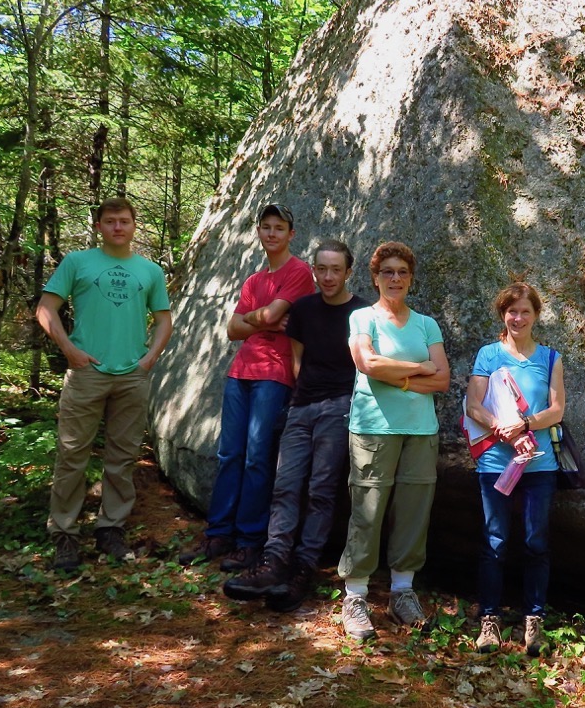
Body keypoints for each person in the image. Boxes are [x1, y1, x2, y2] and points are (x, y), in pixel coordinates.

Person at [223, 240, 369, 608]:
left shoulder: (362, 313)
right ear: (314, 270)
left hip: (339, 408)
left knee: (321, 489)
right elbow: (297, 361)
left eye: (336, 269)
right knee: (285, 485)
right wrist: (301, 400)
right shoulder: (303, 309)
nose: (328, 276)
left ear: (349, 272)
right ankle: (274, 561)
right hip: (302, 406)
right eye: (322, 269)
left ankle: (303, 567)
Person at [36, 196, 173, 573]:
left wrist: (149, 359)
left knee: (122, 456)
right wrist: (69, 350)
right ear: (99, 226)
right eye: (110, 221)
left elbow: (164, 319)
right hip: (86, 371)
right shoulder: (78, 262)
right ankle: (64, 531)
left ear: (133, 226)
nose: (118, 227)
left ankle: (110, 528)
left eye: (124, 221)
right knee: (72, 454)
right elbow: (45, 308)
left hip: (132, 373)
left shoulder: (150, 271)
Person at [179, 205, 315, 572]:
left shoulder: (299, 272)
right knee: (229, 454)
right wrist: (262, 320)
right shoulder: (254, 281)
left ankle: (249, 540)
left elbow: (264, 318)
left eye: (279, 228)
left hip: (275, 372)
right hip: (240, 371)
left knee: (258, 455)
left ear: (291, 234)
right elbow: (232, 330)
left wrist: (254, 320)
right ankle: (218, 533)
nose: (271, 234)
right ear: (258, 231)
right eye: (266, 227)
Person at [337, 242, 449, 640]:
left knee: (414, 510)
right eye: (387, 271)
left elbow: (443, 379)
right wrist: (418, 368)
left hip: (420, 430)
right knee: (367, 509)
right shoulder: (362, 318)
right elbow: (366, 363)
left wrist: (396, 375)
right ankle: (355, 595)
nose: (395, 278)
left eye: (402, 271)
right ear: (375, 276)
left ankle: (402, 591)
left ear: (411, 277)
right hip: (372, 428)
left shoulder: (426, 324)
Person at [465, 283, 565, 656]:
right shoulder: (489, 355)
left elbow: (557, 410)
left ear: (536, 315)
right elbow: (474, 404)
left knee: (535, 541)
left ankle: (533, 620)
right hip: (495, 461)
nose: (518, 318)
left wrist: (524, 425)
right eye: (511, 311)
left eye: (525, 311)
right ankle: (489, 619)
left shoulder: (551, 358)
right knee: (495, 541)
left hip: (538, 464)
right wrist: (500, 428)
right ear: (502, 315)